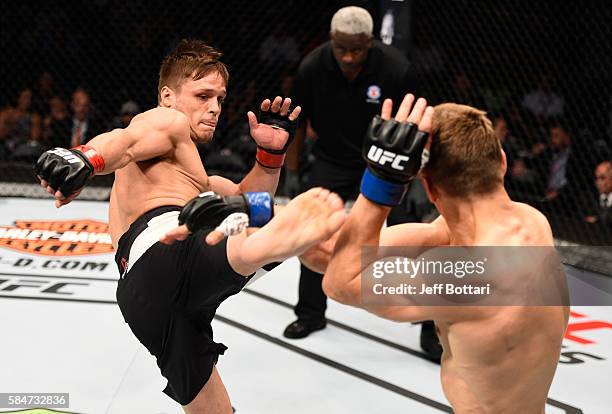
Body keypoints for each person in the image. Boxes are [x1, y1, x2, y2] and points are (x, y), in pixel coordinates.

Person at [34, 39, 346, 414]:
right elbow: (127, 141)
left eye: (220, 98)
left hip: (146, 298)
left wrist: (270, 158)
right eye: (203, 95)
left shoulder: (195, 179)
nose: (214, 108)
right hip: (166, 254)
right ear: (167, 95)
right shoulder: (168, 120)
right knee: (311, 231)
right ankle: (411, 265)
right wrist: (86, 158)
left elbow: (247, 204)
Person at [312, 94, 568, 413]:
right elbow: (345, 251)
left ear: (429, 189)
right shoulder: (528, 219)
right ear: (501, 161)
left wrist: (382, 181)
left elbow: (339, 283)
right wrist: (266, 214)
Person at [282, 5, 416, 340]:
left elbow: (417, 126)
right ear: (331, 40)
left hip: (386, 162)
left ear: (370, 41)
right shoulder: (313, 66)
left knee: (411, 232)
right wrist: (293, 171)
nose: (349, 57)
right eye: (342, 48)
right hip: (332, 159)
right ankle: (310, 313)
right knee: (313, 232)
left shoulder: (396, 69)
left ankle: (430, 322)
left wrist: (415, 180)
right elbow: (296, 124)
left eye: (357, 49)